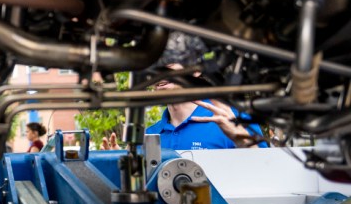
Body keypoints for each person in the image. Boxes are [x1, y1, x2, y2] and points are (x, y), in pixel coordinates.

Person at [101, 34, 266, 150]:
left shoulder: (234, 120)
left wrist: (243, 140)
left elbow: (267, 174)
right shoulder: (149, 135)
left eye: (169, 64)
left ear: (195, 70)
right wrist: (111, 164)